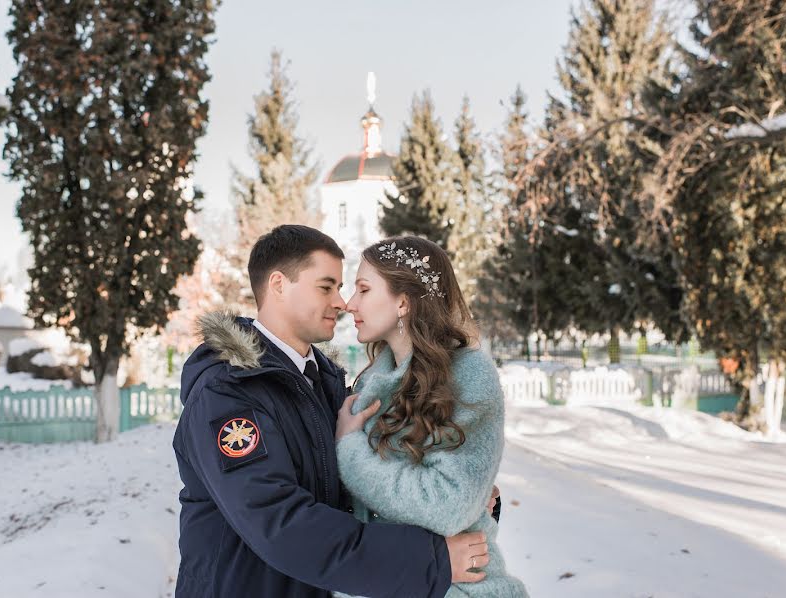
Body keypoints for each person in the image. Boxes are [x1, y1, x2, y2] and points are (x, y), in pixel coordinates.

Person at [172, 225, 488, 598]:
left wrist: (466, 500)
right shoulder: (227, 393)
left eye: (342, 288)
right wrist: (428, 560)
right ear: (278, 285)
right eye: (326, 287)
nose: (342, 303)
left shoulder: (324, 384)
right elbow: (281, 524)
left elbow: (353, 492)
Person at [334, 236, 528, 597]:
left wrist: (350, 451)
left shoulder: (469, 376)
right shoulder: (373, 379)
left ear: (403, 302)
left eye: (363, 289)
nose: (349, 303)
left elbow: (448, 506)